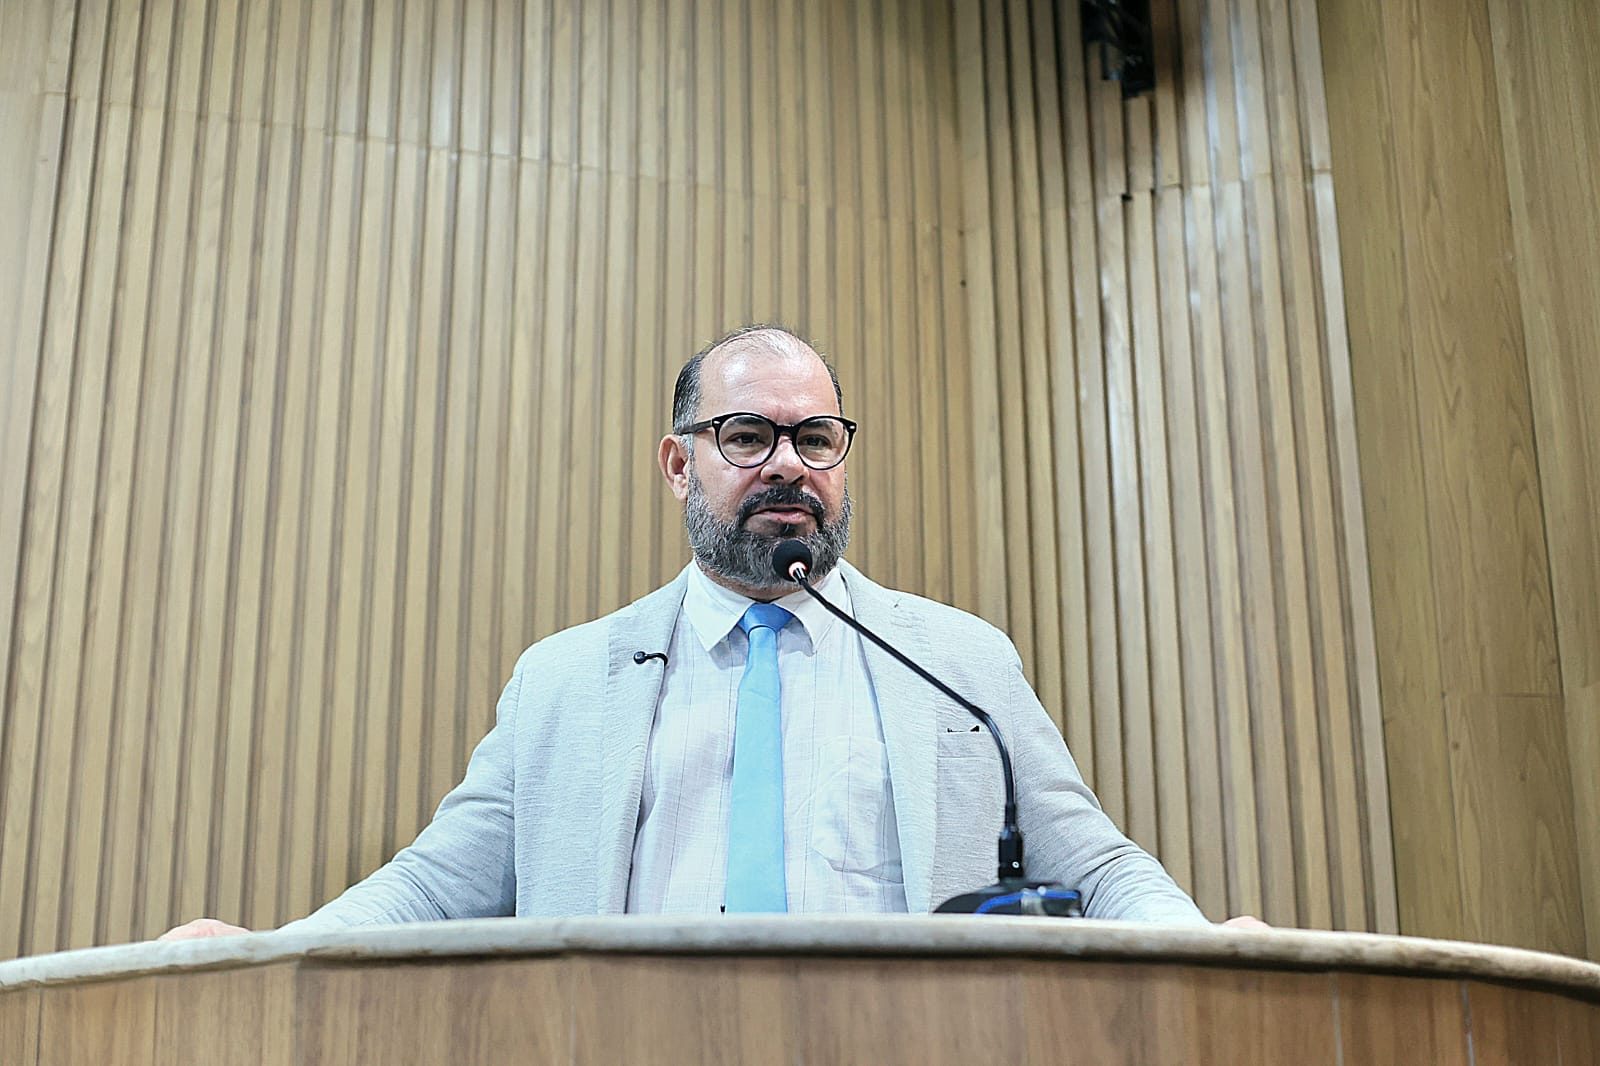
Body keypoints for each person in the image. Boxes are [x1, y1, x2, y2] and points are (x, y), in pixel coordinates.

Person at [166, 324, 1254, 940]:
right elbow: (435, 886)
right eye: (746, 435)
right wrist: (272, 951)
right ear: (679, 463)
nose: (788, 464)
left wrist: (1208, 946)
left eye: (815, 438)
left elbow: (1096, 865)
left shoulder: (959, 662)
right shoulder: (565, 680)